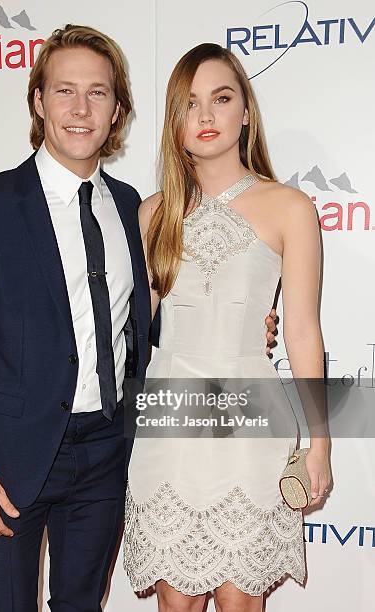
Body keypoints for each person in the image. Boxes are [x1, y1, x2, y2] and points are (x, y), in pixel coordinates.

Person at [0, 26, 278, 611]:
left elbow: (146, 322)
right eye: (65, 91)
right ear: (39, 102)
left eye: (98, 92)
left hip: (109, 454)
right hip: (11, 458)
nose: (81, 109)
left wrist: (240, 327)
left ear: (118, 109)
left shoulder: (135, 208)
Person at [123, 43, 332, 612]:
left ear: (246, 112)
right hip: (169, 416)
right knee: (177, 604)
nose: (207, 116)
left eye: (221, 98)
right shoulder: (152, 214)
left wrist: (320, 442)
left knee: (242, 601)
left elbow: (303, 333)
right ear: (175, 121)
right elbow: (130, 330)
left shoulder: (289, 208)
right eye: (191, 104)